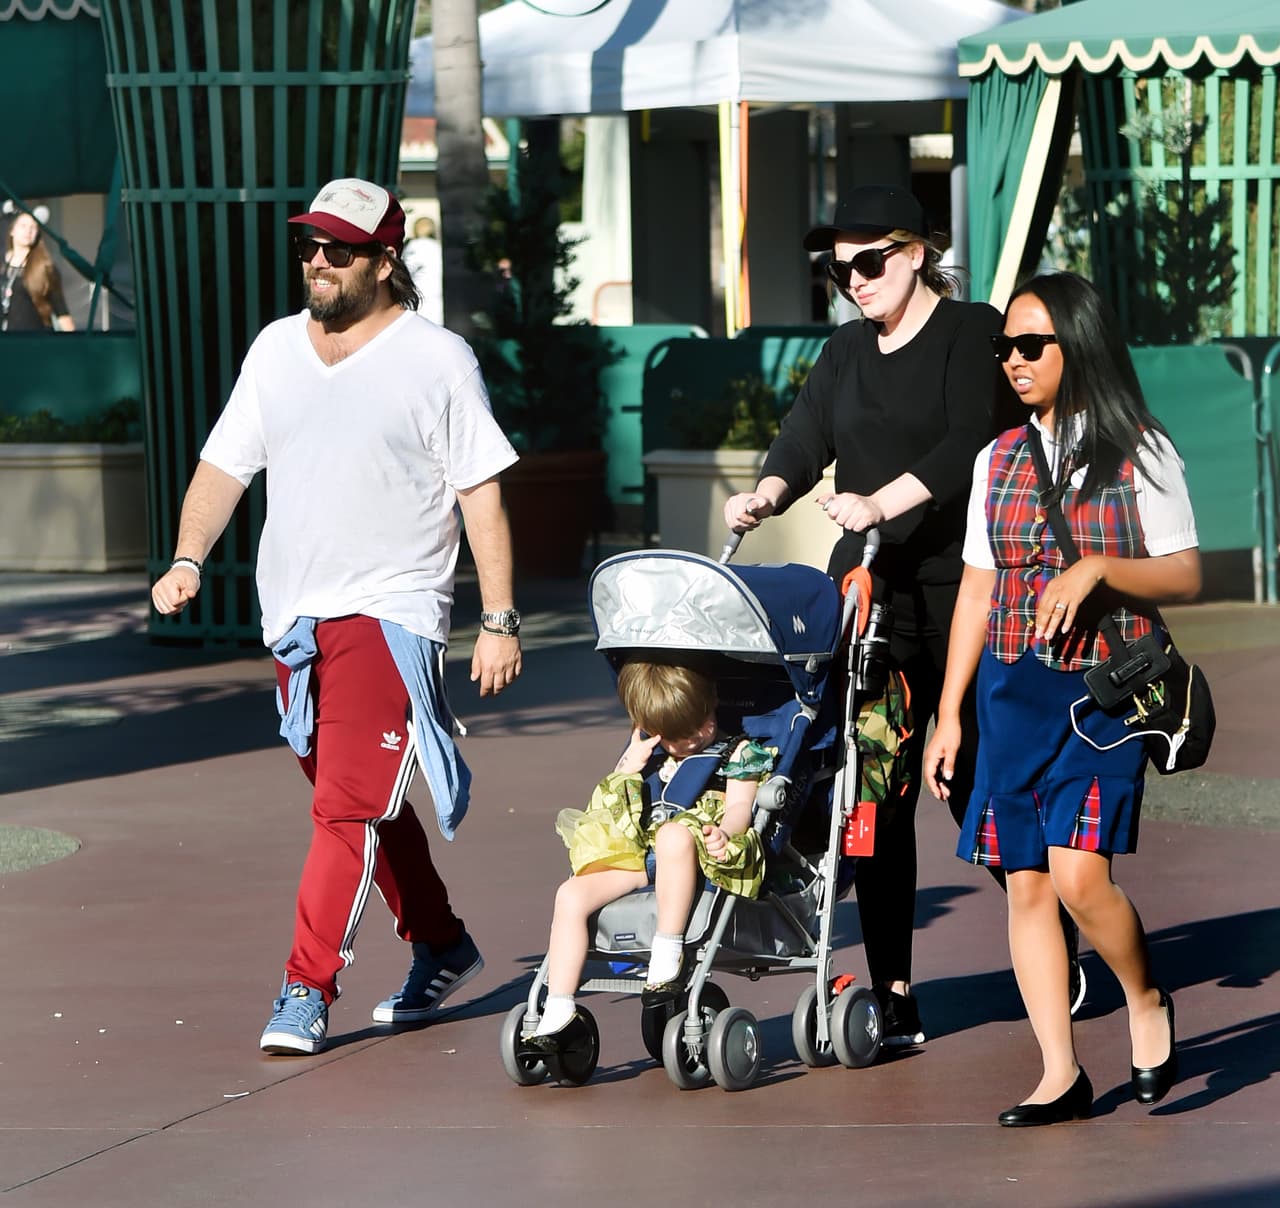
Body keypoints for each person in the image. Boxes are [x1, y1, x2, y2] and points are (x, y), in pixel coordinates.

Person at [150, 177, 523, 1056]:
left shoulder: (438, 361)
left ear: (385, 261)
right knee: (358, 798)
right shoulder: (278, 349)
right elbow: (222, 467)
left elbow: (482, 496)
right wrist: (186, 556)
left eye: (339, 249)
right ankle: (441, 943)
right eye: (310, 244)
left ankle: (306, 988)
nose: (317, 260)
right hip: (295, 617)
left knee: (344, 809)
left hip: (390, 612)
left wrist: (500, 617)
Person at [723, 183, 1023, 1048]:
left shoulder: (972, 332)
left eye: (869, 261)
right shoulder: (848, 350)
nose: (853, 279)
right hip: (871, 598)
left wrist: (880, 500)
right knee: (875, 796)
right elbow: (805, 433)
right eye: (837, 267)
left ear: (916, 252)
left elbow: (974, 437)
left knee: (973, 783)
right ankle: (892, 994)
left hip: (963, 589)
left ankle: (1054, 935)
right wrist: (769, 492)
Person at [923, 271, 1197, 1125]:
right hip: (1009, 694)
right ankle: (1060, 1073)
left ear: (1078, 343)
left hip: (1102, 697)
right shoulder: (995, 458)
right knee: (1028, 886)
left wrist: (1101, 568)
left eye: (1031, 344)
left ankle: (1145, 998)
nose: (1014, 360)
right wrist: (947, 714)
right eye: (1004, 346)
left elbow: (1187, 573)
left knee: (1081, 879)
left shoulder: (1142, 449)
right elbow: (977, 590)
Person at [526, 659, 774, 1052]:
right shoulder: (652, 757)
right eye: (676, 737)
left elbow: (741, 806)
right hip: (646, 859)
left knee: (674, 835)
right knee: (570, 895)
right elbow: (616, 816)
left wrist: (726, 833)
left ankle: (667, 950)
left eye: (701, 724)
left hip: (701, 855)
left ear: (713, 702)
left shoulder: (737, 753)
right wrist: (628, 769)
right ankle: (558, 1007)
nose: (693, 739)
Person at [2, 203, 75, 332]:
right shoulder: (3, 265)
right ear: (12, 230)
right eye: (23, 226)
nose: (28, 231)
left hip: (35, 342)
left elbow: (62, 313)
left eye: (33, 227)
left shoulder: (45, 268)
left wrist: (77, 347)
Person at [402, 214, 443, 325]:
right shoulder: (438, 248)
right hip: (437, 299)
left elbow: (405, 273)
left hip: (416, 299)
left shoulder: (412, 248)